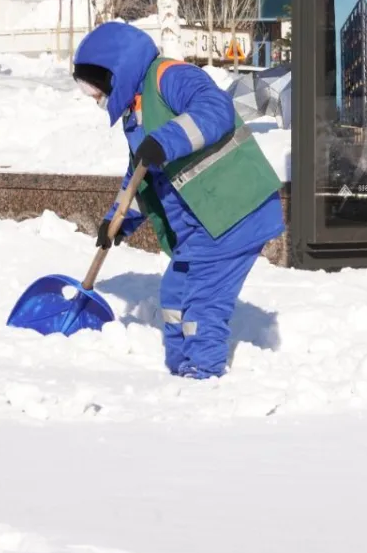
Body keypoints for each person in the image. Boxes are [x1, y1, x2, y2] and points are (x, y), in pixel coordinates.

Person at [71, 20, 284, 379]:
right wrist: (116, 221)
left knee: (202, 302)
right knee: (173, 295)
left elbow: (215, 108)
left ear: (115, 72)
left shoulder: (169, 76)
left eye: (94, 89)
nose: (95, 97)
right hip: (200, 225)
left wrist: (167, 139)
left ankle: (203, 376)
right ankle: (178, 371)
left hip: (233, 212)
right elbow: (140, 179)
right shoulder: (134, 116)